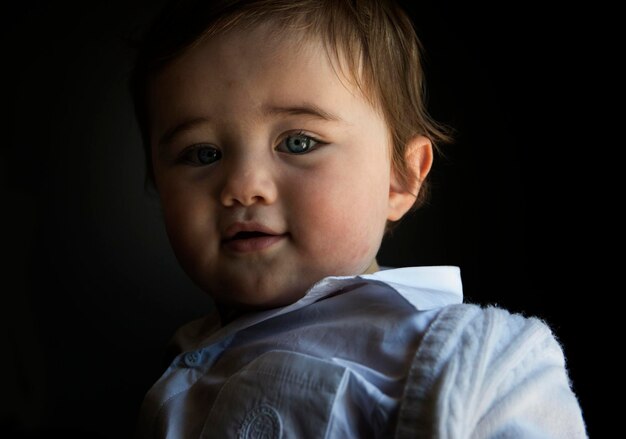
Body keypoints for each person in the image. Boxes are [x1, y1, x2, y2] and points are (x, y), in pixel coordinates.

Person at [130, 0, 587, 437]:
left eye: (298, 143)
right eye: (202, 153)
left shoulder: (477, 362)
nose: (243, 186)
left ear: (399, 178)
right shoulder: (174, 363)